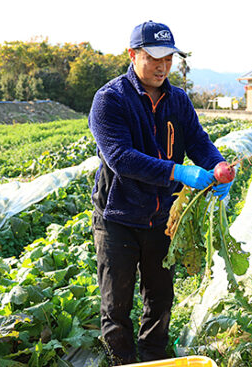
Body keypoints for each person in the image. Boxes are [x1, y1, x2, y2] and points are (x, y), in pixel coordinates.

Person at [88, 20, 233, 365]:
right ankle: (122, 360)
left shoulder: (178, 100)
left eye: (168, 59)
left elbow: (198, 141)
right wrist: (177, 171)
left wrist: (217, 167)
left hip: (163, 218)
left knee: (160, 297)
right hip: (118, 218)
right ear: (132, 54)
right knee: (116, 303)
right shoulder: (110, 99)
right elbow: (121, 158)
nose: (162, 66)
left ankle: (154, 358)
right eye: (154, 58)